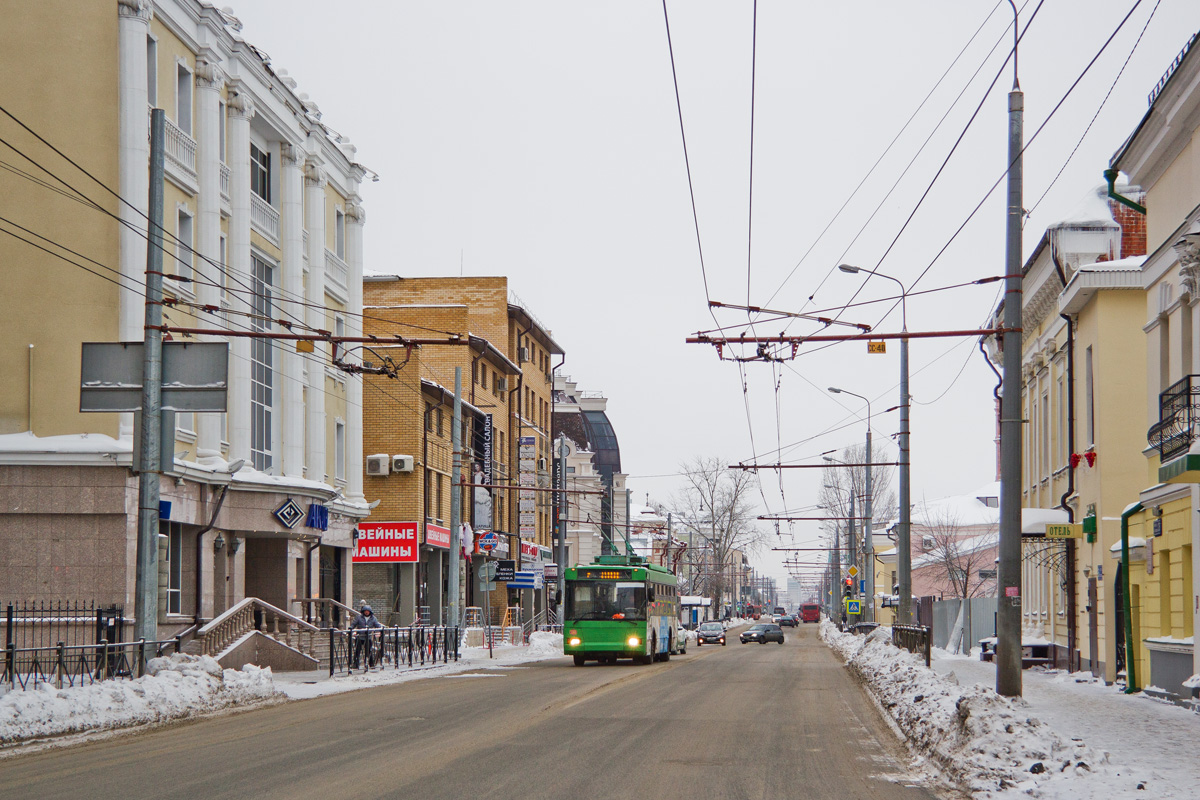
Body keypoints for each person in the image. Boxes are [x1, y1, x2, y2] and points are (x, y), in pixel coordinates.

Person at [349, 602, 382, 668]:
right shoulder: (359, 617)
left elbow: (377, 625)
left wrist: (380, 630)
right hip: (360, 637)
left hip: (368, 637)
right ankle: (355, 664)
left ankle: (371, 664)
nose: (366, 612)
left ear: (370, 612)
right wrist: (351, 628)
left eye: (368, 611)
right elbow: (354, 623)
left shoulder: (373, 618)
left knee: (369, 651)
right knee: (357, 651)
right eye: (365, 611)